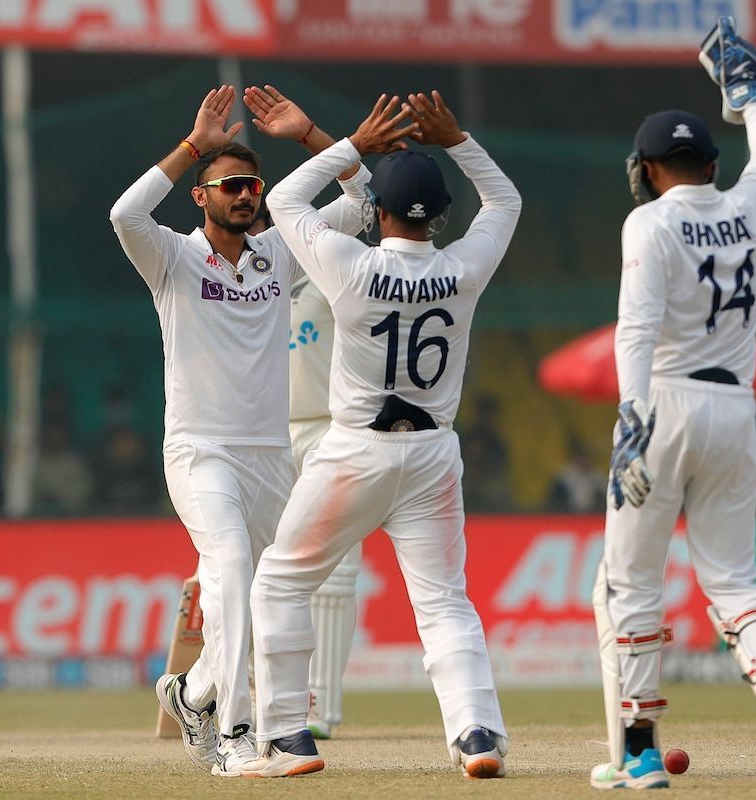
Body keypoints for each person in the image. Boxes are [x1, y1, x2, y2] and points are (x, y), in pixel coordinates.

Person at [242, 88, 520, 779]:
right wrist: (458, 140)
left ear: (382, 214)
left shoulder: (351, 266)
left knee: (278, 581)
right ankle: (477, 733)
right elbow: (506, 202)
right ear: (442, 217)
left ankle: (286, 737)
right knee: (445, 601)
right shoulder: (463, 268)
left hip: (355, 451)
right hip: (432, 454)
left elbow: (283, 205)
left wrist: (352, 147)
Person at [109, 85, 372, 776]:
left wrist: (312, 134)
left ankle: (192, 694)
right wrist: (195, 146)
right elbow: (123, 211)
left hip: (270, 457)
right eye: (228, 186)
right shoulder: (170, 258)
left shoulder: (279, 254)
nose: (244, 195)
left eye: (251, 184)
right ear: (202, 197)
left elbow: (364, 203)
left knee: (269, 594)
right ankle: (233, 740)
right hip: (201, 449)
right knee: (227, 569)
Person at [592, 18, 756, 790]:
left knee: (633, 583)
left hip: (663, 405)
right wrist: (751, 96)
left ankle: (642, 750)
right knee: (732, 577)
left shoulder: (649, 222)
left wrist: (630, 415)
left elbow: (636, 329)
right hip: (735, 412)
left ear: (654, 168)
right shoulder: (749, 205)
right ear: (707, 165)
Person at [249, 196, 361, 741]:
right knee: (253, 568)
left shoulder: (330, 273)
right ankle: (249, 690)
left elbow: (362, 201)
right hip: (264, 436)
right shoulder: (237, 282)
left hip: (330, 430)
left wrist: (322, 144)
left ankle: (323, 706)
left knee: (335, 576)